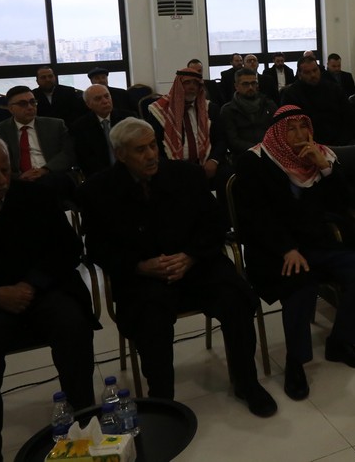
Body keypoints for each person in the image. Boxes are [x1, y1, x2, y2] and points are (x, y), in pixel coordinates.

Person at [78, 118, 276, 416]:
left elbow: (216, 223)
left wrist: (190, 256)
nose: (151, 155)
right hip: (144, 276)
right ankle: (162, 399)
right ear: (120, 154)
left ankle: (247, 382)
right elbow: (97, 248)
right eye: (140, 150)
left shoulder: (186, 175)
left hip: (196, 265)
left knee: (236, 298)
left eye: (153, 146)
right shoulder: (97, 190)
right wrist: (140, 266)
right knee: (150, 319)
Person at [0, 136, 97, 462]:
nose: (0, 180)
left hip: (40, 290)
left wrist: (32, 283)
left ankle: (85, 426)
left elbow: (68, 248)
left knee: (73, 325)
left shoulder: (35, 195)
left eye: (5, 170)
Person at [233, 107, 355, 401]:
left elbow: (341, 204)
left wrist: (324, 168)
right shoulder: (255, 161)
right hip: (273, 252)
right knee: (301, 283)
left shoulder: (320, 156)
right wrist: (286, 248)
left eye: (304, 127)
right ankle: (295, 362)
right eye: (292, 128)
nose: (300, 135)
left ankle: (341, 341)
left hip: (316, 245)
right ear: (277, 133)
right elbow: (254, 219)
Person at [0, 85, 78, 203]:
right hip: (18, 179)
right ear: (10, 108)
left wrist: (45, 169)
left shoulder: (55, 125)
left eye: (33, 102)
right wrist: (18, 176)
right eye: (23, 104)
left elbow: (68, 153)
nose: (30, 107)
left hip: (52, 174)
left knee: (47, 185)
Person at [281, 56, 355, 146]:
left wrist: (341, 143)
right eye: (307, 72)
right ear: (299, 75)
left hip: (340, 142)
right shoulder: (291, 94)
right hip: (307, 144)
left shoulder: (334, 89)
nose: (313, 75)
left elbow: (349, 117)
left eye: (315, 70)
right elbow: (290, 125)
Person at [71, 83, 136, 178]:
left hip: (130, 170)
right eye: (98, 99)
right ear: (88, 104)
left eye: (107, 96)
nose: (105, 101)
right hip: (99, 175)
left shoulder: (129, 119)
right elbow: (84, 159)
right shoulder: (80, 126)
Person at [220, 67, 276, 162]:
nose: (250, 87)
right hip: (243, 157)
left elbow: (277, 130)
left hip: (271, 154)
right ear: (236, 86)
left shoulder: (269, 105)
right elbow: (232, 140)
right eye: (245, 84)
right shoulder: (228, 110)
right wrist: (258, 150)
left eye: (253, 83)